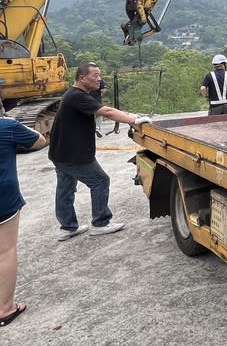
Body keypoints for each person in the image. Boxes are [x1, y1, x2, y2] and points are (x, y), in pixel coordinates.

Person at [48, 62, 151, 241]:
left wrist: (132, 115)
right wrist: (133, 120)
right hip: (74, 155)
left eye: (99, 75)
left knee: (65, 188)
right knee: (100, 181)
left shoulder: (76, 95)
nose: (99, 79)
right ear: (82, 78)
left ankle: (68, 227)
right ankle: (100, 223)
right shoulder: (77, 96)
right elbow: (107, 112)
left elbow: (110, 110)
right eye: (95, 75)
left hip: (60, 153)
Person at [0, 117, 45, 327]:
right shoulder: (6, 126)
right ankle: (5, 308)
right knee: (5, 251)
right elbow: (39, 140)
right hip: (4, 198)